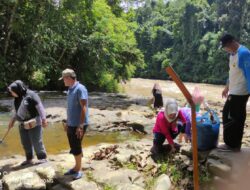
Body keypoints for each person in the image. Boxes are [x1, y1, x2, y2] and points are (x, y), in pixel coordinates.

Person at [218, 34, 250, 152]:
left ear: (232, 42)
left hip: (241, 92)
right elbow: (232, 73)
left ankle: (232, 145)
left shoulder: (244, 53)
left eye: (225, 46)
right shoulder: (232, 55)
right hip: (234, 90)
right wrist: (226, 87)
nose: (225, 49)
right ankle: (233, 145)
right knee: (232, 116)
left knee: (231, 116)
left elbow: (249, 74)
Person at [7, 80, 48, 165]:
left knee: (36, 141)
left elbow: (40, 107)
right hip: (22, 124)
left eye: (12, 92)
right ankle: (29, 159)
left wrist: (44, 119)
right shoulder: (17, 98)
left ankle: (42, 158)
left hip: (34, 122)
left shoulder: (31, 95)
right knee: (25, 142)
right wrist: (12, 121)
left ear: (18, 90)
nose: (11, 94)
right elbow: (16, 111)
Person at [59, 68, 89, 180]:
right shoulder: (70, 89)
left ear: (68, 78)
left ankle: (78, 169)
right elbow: (70, 108)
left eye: (64, 79)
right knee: (74, 145)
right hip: (71, 123)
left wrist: (80, 126)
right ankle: (76, 167)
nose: (63, 81)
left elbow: (84, 108)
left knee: (76, 146)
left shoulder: (80, 89)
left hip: (79, 124)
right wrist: (67, 122)